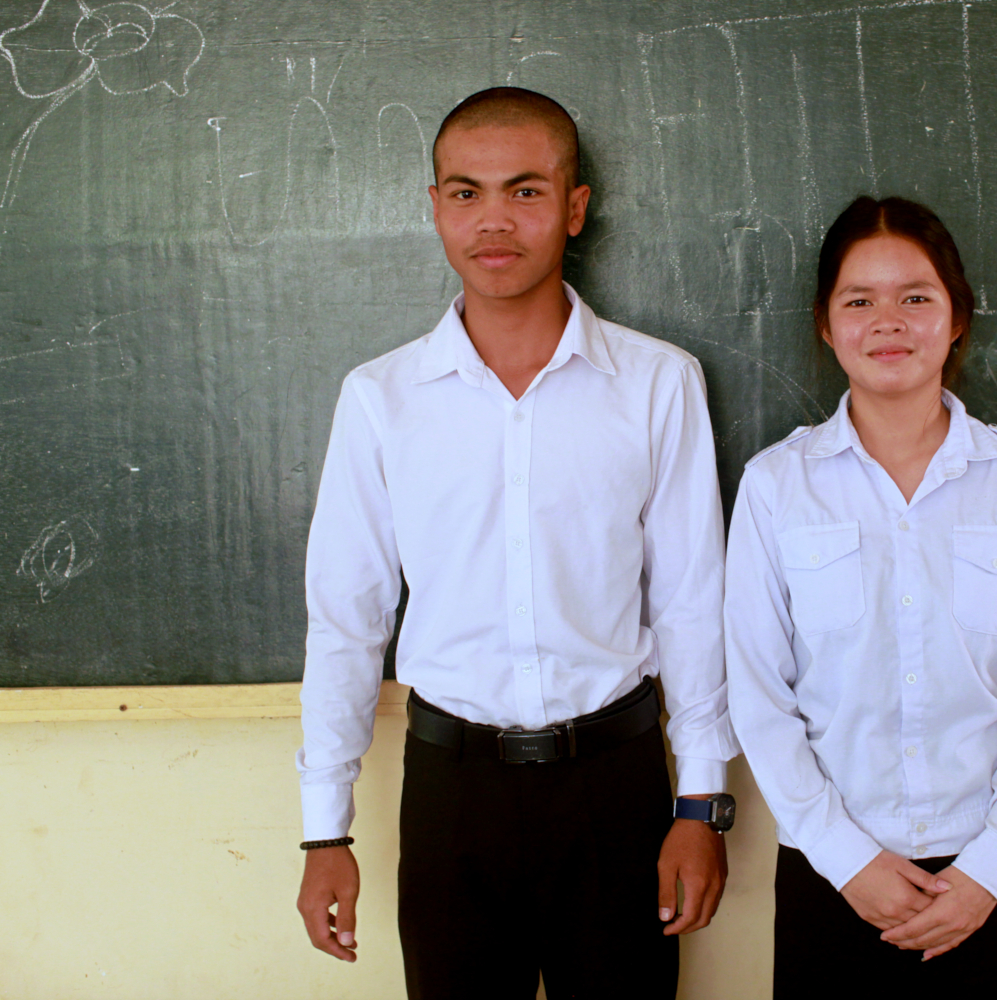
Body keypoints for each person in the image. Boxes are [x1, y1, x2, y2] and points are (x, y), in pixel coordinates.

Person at [293, 87, 739, 1000]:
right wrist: (323, 829)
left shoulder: (657, 385)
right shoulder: (382, 400)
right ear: (434, 208)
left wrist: (701, 805)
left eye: (526, 191)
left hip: (614, 787)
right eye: (466, 193)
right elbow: (346, 617)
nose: (493, 220)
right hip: (453, 793)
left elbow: (693, 600)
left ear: (576, 208)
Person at [724, 196, 997, 998]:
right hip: (832, 876)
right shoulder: (778, 488)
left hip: (991, 877)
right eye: (860, 300)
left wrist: (987, 871)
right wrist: (847, 861)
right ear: (825, 323)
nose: (889, 321)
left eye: (916, 297)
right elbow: (757, 696)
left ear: (956, 318)